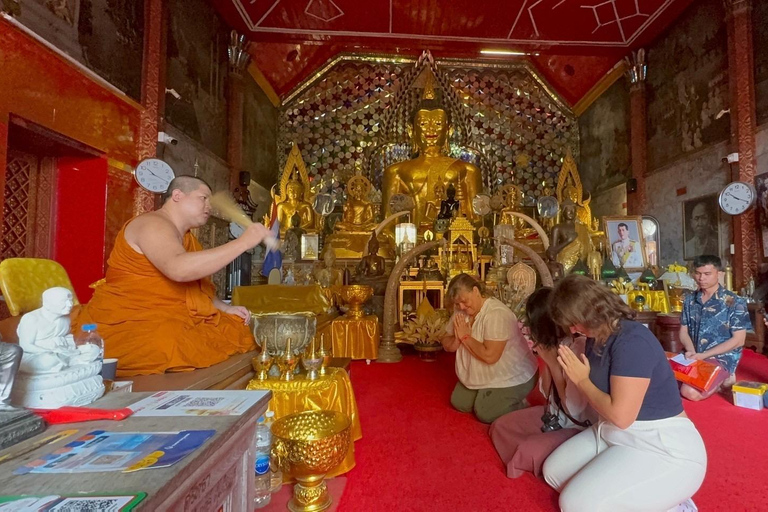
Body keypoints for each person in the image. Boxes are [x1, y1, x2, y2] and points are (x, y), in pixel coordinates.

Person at [73, 176, 271, 377]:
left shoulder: (187, 238)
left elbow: (197, 288)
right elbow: (178, 269)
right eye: (203, 198)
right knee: (169, 340)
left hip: (172, 315)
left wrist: (227, 308)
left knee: (237, 330)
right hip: (134, 316)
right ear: (177, 195)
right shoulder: (152, 224)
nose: (209, 206)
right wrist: (243, 243)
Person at [542, 275, 706, 512]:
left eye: (574, 322)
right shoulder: (593, 337)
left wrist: (581, 380)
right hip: (613, 433)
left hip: (661, 444)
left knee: (575, 504)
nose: (572, 330)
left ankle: (673, 504)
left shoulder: (632, 340)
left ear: (590, 314)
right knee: (554, 473)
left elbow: (621, 416)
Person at [489, 288, 595, 479]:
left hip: (576, 426)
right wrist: (547, 359)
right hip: (554, 416)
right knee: (500, 426)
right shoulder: (558, 343)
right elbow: (546, 393)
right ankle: (536, 455)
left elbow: (574, 410)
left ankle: (534, 457)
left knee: (528, 450)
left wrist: (554, 364)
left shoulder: (578, 347)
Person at [440, 273, 538, 424]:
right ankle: (489, 395)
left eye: (464, 302)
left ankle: (522, 405)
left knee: (486, 413)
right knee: (460, 402)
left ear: (476, 291)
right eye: (457, 304)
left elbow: (490, 357)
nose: (461, 307)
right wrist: (456, 341)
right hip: (479, 373)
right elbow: (445, 340)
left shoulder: (496, 314)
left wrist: (466, 338)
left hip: (510, 375)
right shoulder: (461, 311)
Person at [679, 254, 750, 400]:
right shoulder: (689, 300)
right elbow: (683, 331)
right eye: (698, 273)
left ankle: (724, 378)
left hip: (721, 357)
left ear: (719, 273)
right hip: (694, 355)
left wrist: (703, 356)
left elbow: (739, 340)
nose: (701, 278)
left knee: (689, 392)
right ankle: (721, 380)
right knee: (662, 383)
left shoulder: (735, 302)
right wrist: (692, 353)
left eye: (707, 274)